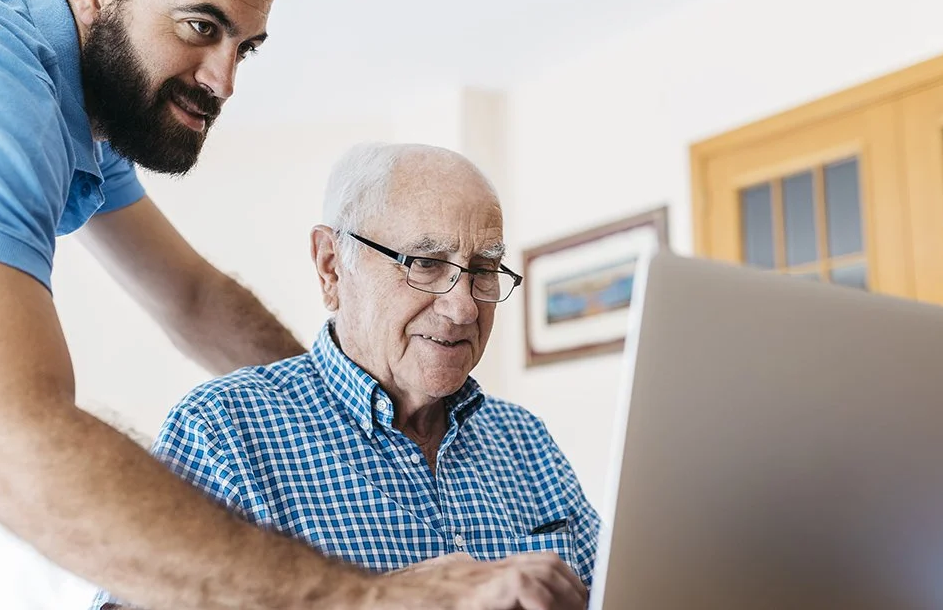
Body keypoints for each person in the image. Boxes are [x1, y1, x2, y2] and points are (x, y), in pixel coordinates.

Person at [0, 0, 593, 607]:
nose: (224, 80)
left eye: (245, 47)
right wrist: (381, 594)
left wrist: (346, 413)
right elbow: (9, 455)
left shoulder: (78, 113)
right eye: (200, 26)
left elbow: (192, 299)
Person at [93, 143, 601, 609]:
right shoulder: (223, 433)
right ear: (332, 267)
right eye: (425, 263)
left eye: (484, 269)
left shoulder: (527, 441)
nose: (463, 306)